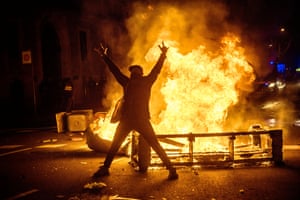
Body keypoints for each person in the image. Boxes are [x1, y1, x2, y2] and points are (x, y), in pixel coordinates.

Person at [93, 41, 178, 180]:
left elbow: (157, 69)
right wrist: (104, 56)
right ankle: (105, 168)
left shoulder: (147, 81)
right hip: (128, 120)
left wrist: (163, 55)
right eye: (132, 70)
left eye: (136, 69)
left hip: (141, 120)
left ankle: (171, 169)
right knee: (115, 144)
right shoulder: (127, 82)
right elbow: (115, 70)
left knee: (155, 144)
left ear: (141, 72)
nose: (133, 71)